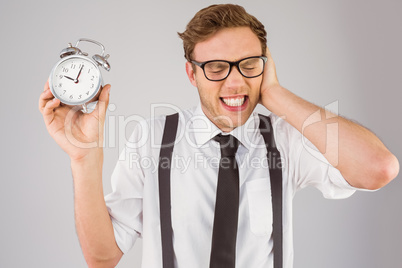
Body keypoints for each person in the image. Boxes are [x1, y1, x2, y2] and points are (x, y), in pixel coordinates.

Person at [38, 4, 399, 268]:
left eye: (248, 64)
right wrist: (84, 159)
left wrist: (275, 95)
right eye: (215, 67)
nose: (235, 81)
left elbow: (378, 168)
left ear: (266, 66)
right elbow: (102, 257)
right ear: (191, 74)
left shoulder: (287, 140)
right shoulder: (150, 139)